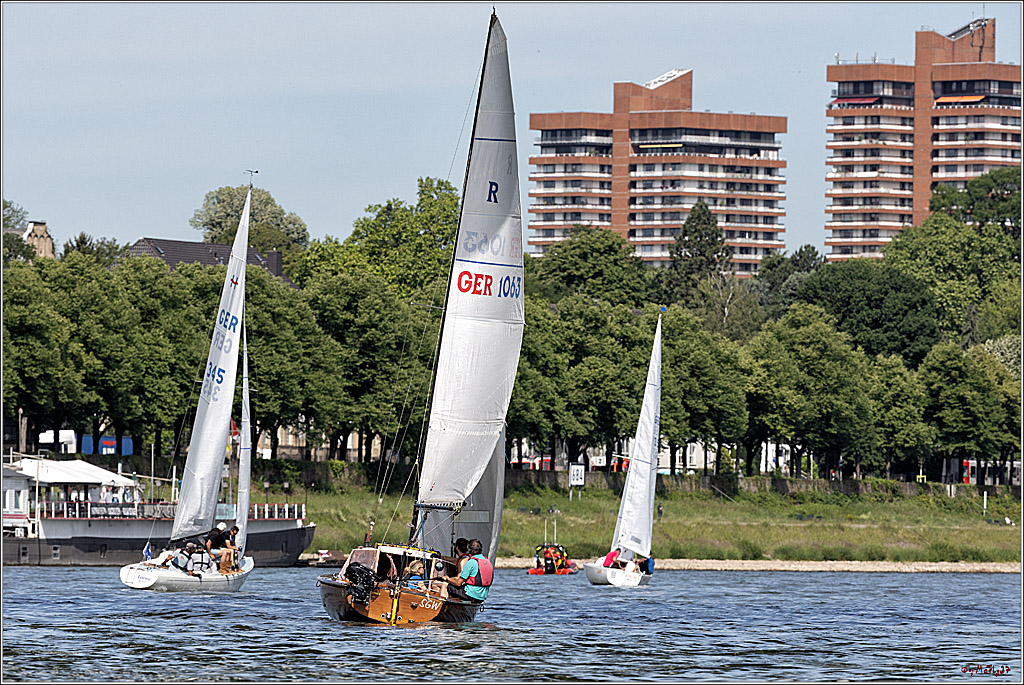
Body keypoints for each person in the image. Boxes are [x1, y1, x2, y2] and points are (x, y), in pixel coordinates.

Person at [442, 539, 492, 603]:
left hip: (471, 595)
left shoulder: (471, 562)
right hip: (482, 597)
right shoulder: (487, 561)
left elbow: (458, 583)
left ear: (468, 549)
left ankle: (445, 609)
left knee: (444, 585)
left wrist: (447, 579)